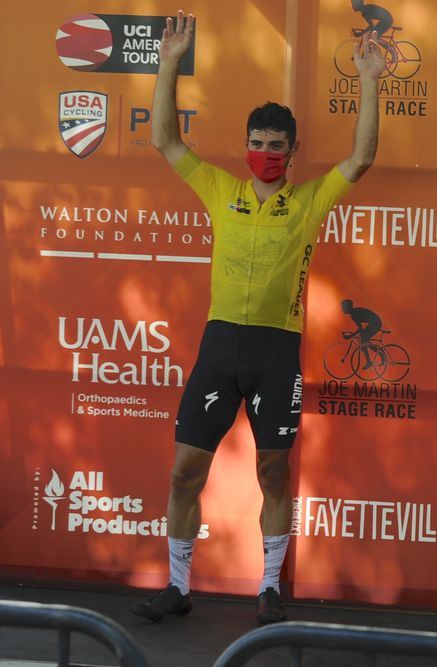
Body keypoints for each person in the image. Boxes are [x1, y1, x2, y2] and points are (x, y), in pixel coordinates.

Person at [130, 11, 383, 626]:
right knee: (186, 469)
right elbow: (165, 140)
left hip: (276, 352)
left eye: (276, 147)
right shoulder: (220, 189)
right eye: (258, 144)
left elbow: (362, 157)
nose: (265, 154)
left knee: (274, 471)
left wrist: (371, 81)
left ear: (293, 154)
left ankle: (269, 586)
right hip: (220, 345)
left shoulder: (308, 199)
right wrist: (167, 64)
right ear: (247, 146)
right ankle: (179, 586)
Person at [341, 299, 383, 368]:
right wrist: (351, 335)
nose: (342, 309)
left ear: (348, 307)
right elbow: (361, 329)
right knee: (363, 340)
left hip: (376, 323)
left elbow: (360, 329)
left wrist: (350, 336)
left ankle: (375, 357)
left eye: (343, 307)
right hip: (373, 322)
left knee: (363, 340)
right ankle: (377, 353)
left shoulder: (355, 314)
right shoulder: (354, 314)